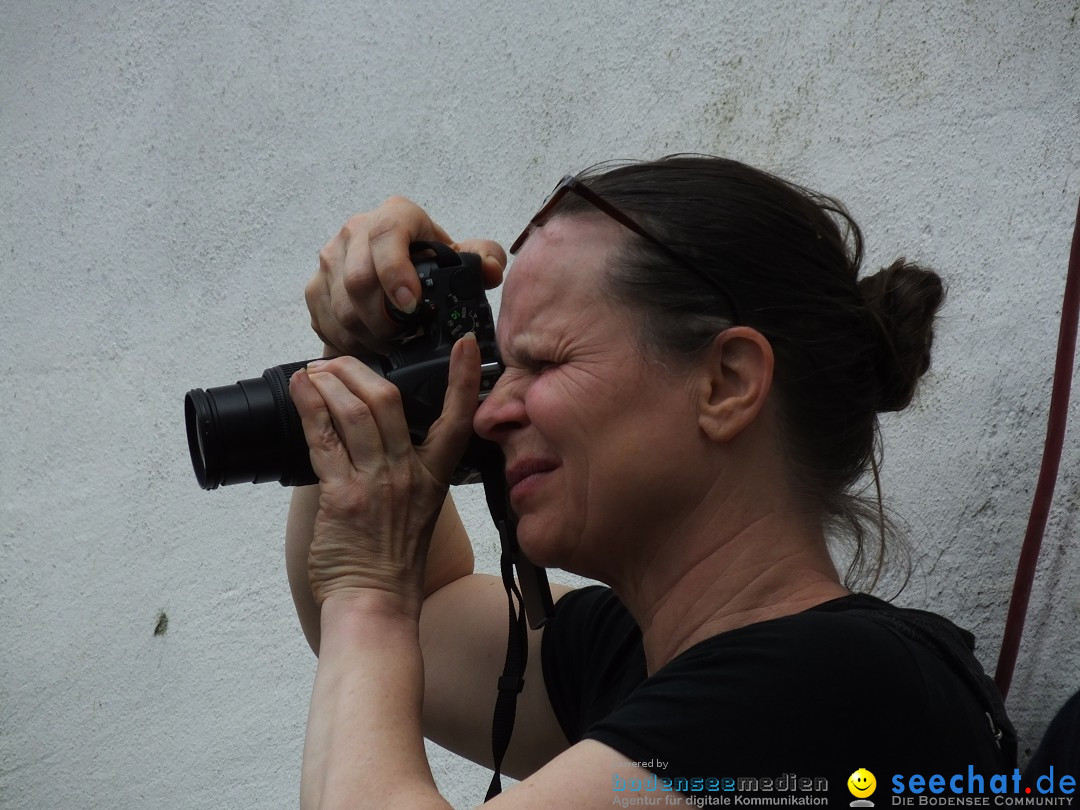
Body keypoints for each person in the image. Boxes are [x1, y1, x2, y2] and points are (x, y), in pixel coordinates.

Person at [284, 156, 1015, 809]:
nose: (489, 413)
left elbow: (382, 616)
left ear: (726, 384)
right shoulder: (647, 666)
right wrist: (364, 359)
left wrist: (368, 593)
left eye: (543, 362)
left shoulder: (825, 687)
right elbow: (414, 619)